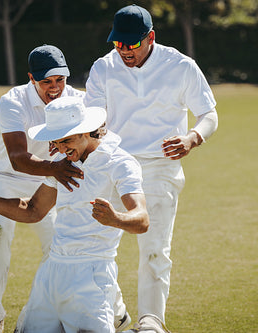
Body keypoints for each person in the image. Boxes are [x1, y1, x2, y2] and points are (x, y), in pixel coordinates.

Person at [83, 4, 219, 327]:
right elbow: (92, 121)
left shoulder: (181, 66)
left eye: (131, 44)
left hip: (162, 165)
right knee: (91, 241)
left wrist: (191, 139)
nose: (124, 51)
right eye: (118, 44)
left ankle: (150, 321)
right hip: (115, 164)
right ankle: (114, 310)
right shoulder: (103, 68)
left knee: (155, 250)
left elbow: (209, 115)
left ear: (151, 38)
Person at [0, 96, 149, 333]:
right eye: (56, 142)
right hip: (50, 274)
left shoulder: (121, 163)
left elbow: (142, 219)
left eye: (67, 140)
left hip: (91, 275)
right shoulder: (62, 163)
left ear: (88, 131)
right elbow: (33, 210)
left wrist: (115, 219)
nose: (61, 149)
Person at [0, 44, 85, 333]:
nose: (55, 88)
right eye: (46, 81)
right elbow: (18, 158)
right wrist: (56, 169)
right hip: (3, 176)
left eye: (60, 80)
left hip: (47, 180)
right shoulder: (12, 101)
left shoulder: (76, 99)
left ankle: (43, 317)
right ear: (31, 78)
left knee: (61, 248)